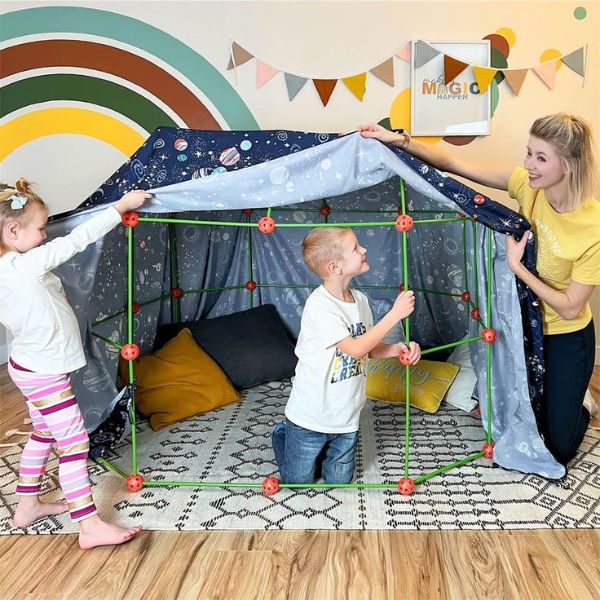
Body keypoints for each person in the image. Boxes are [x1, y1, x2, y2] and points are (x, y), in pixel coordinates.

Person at [358, 113, 599, 466]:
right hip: (521, 325)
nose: (528, 165)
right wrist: (401, 141)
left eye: (541, 158)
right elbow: (455, 164)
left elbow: (570, 307)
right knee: (519, 425)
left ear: (570, 164)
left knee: (558, 448)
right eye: (529, 152)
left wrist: (518, 267)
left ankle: (582, 403)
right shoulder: (527, 186)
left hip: (566, 335)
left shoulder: (593, 227)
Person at [0, 179, 152, 548]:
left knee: (43, 434)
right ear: (13, 230)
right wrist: (119, 207)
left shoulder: (8, 269)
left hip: (29, 367)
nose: (45, 235)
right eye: (40, 228)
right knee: (73, 444)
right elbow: (76, 241)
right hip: (45, 374)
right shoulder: (24, 266)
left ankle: (27, 506)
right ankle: (89, 525)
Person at [272, 226, 421, 484]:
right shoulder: (320, 305)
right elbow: (355, 348)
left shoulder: (360, 300)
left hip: (346, 417)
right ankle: (282, 433)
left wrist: (397, 349)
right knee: (298, 482)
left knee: (339, 481)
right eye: (355, 248)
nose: (364, 249)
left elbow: (368, 346)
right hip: (310, 416)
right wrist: (394, 315)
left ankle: (320, 452)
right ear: (335, 267)